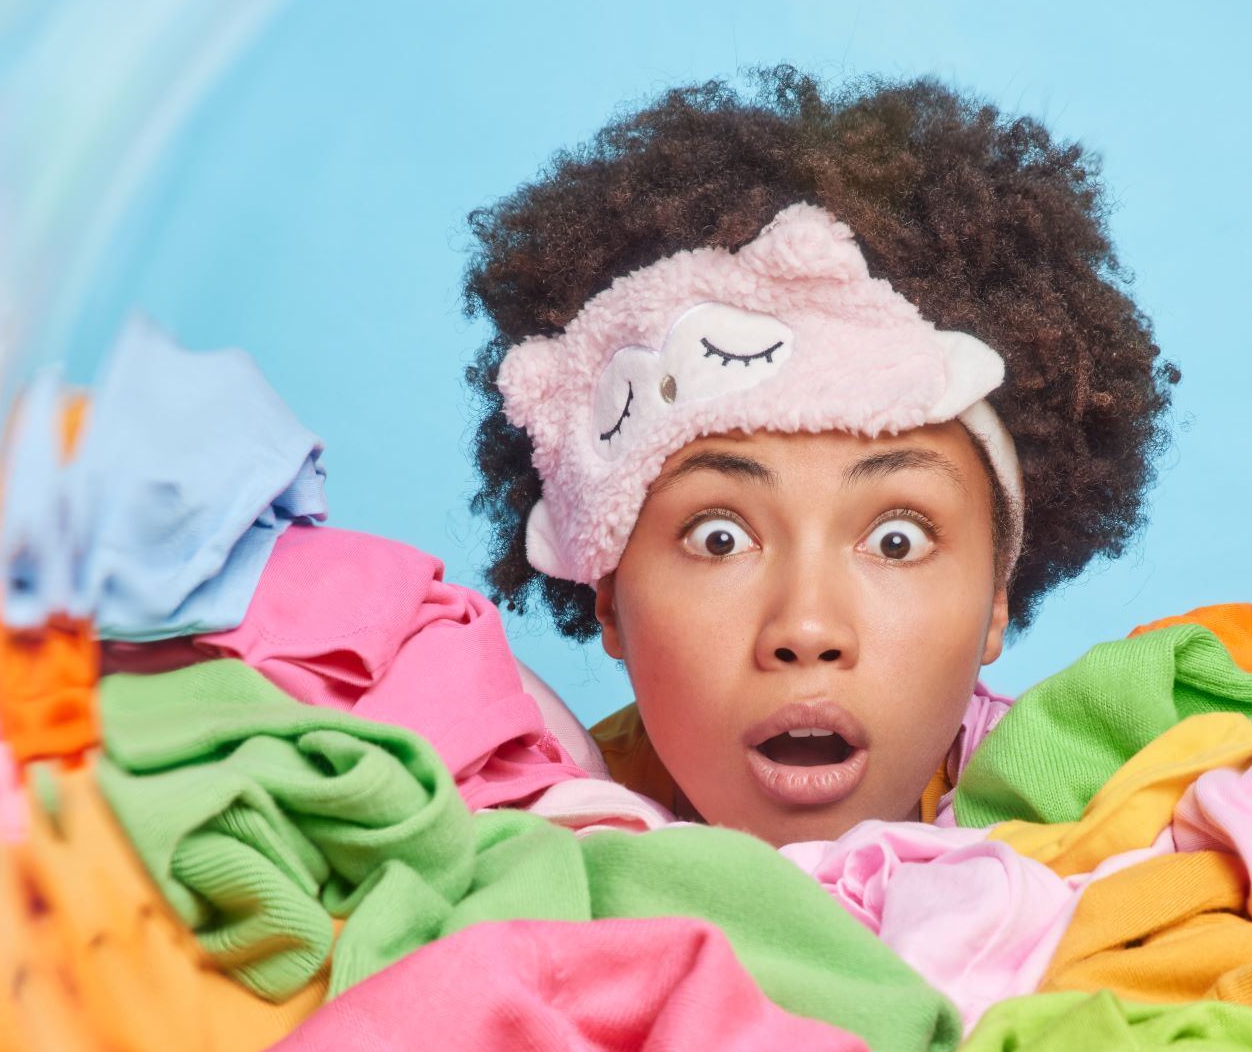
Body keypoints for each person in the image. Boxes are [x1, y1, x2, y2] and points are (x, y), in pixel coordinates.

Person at [464, 67, 1176, 845]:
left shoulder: (1134, 838)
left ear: (995, 599)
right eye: (718, 537)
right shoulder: (492, 854)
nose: (805, 626)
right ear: (609, 597)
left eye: (897, 540)